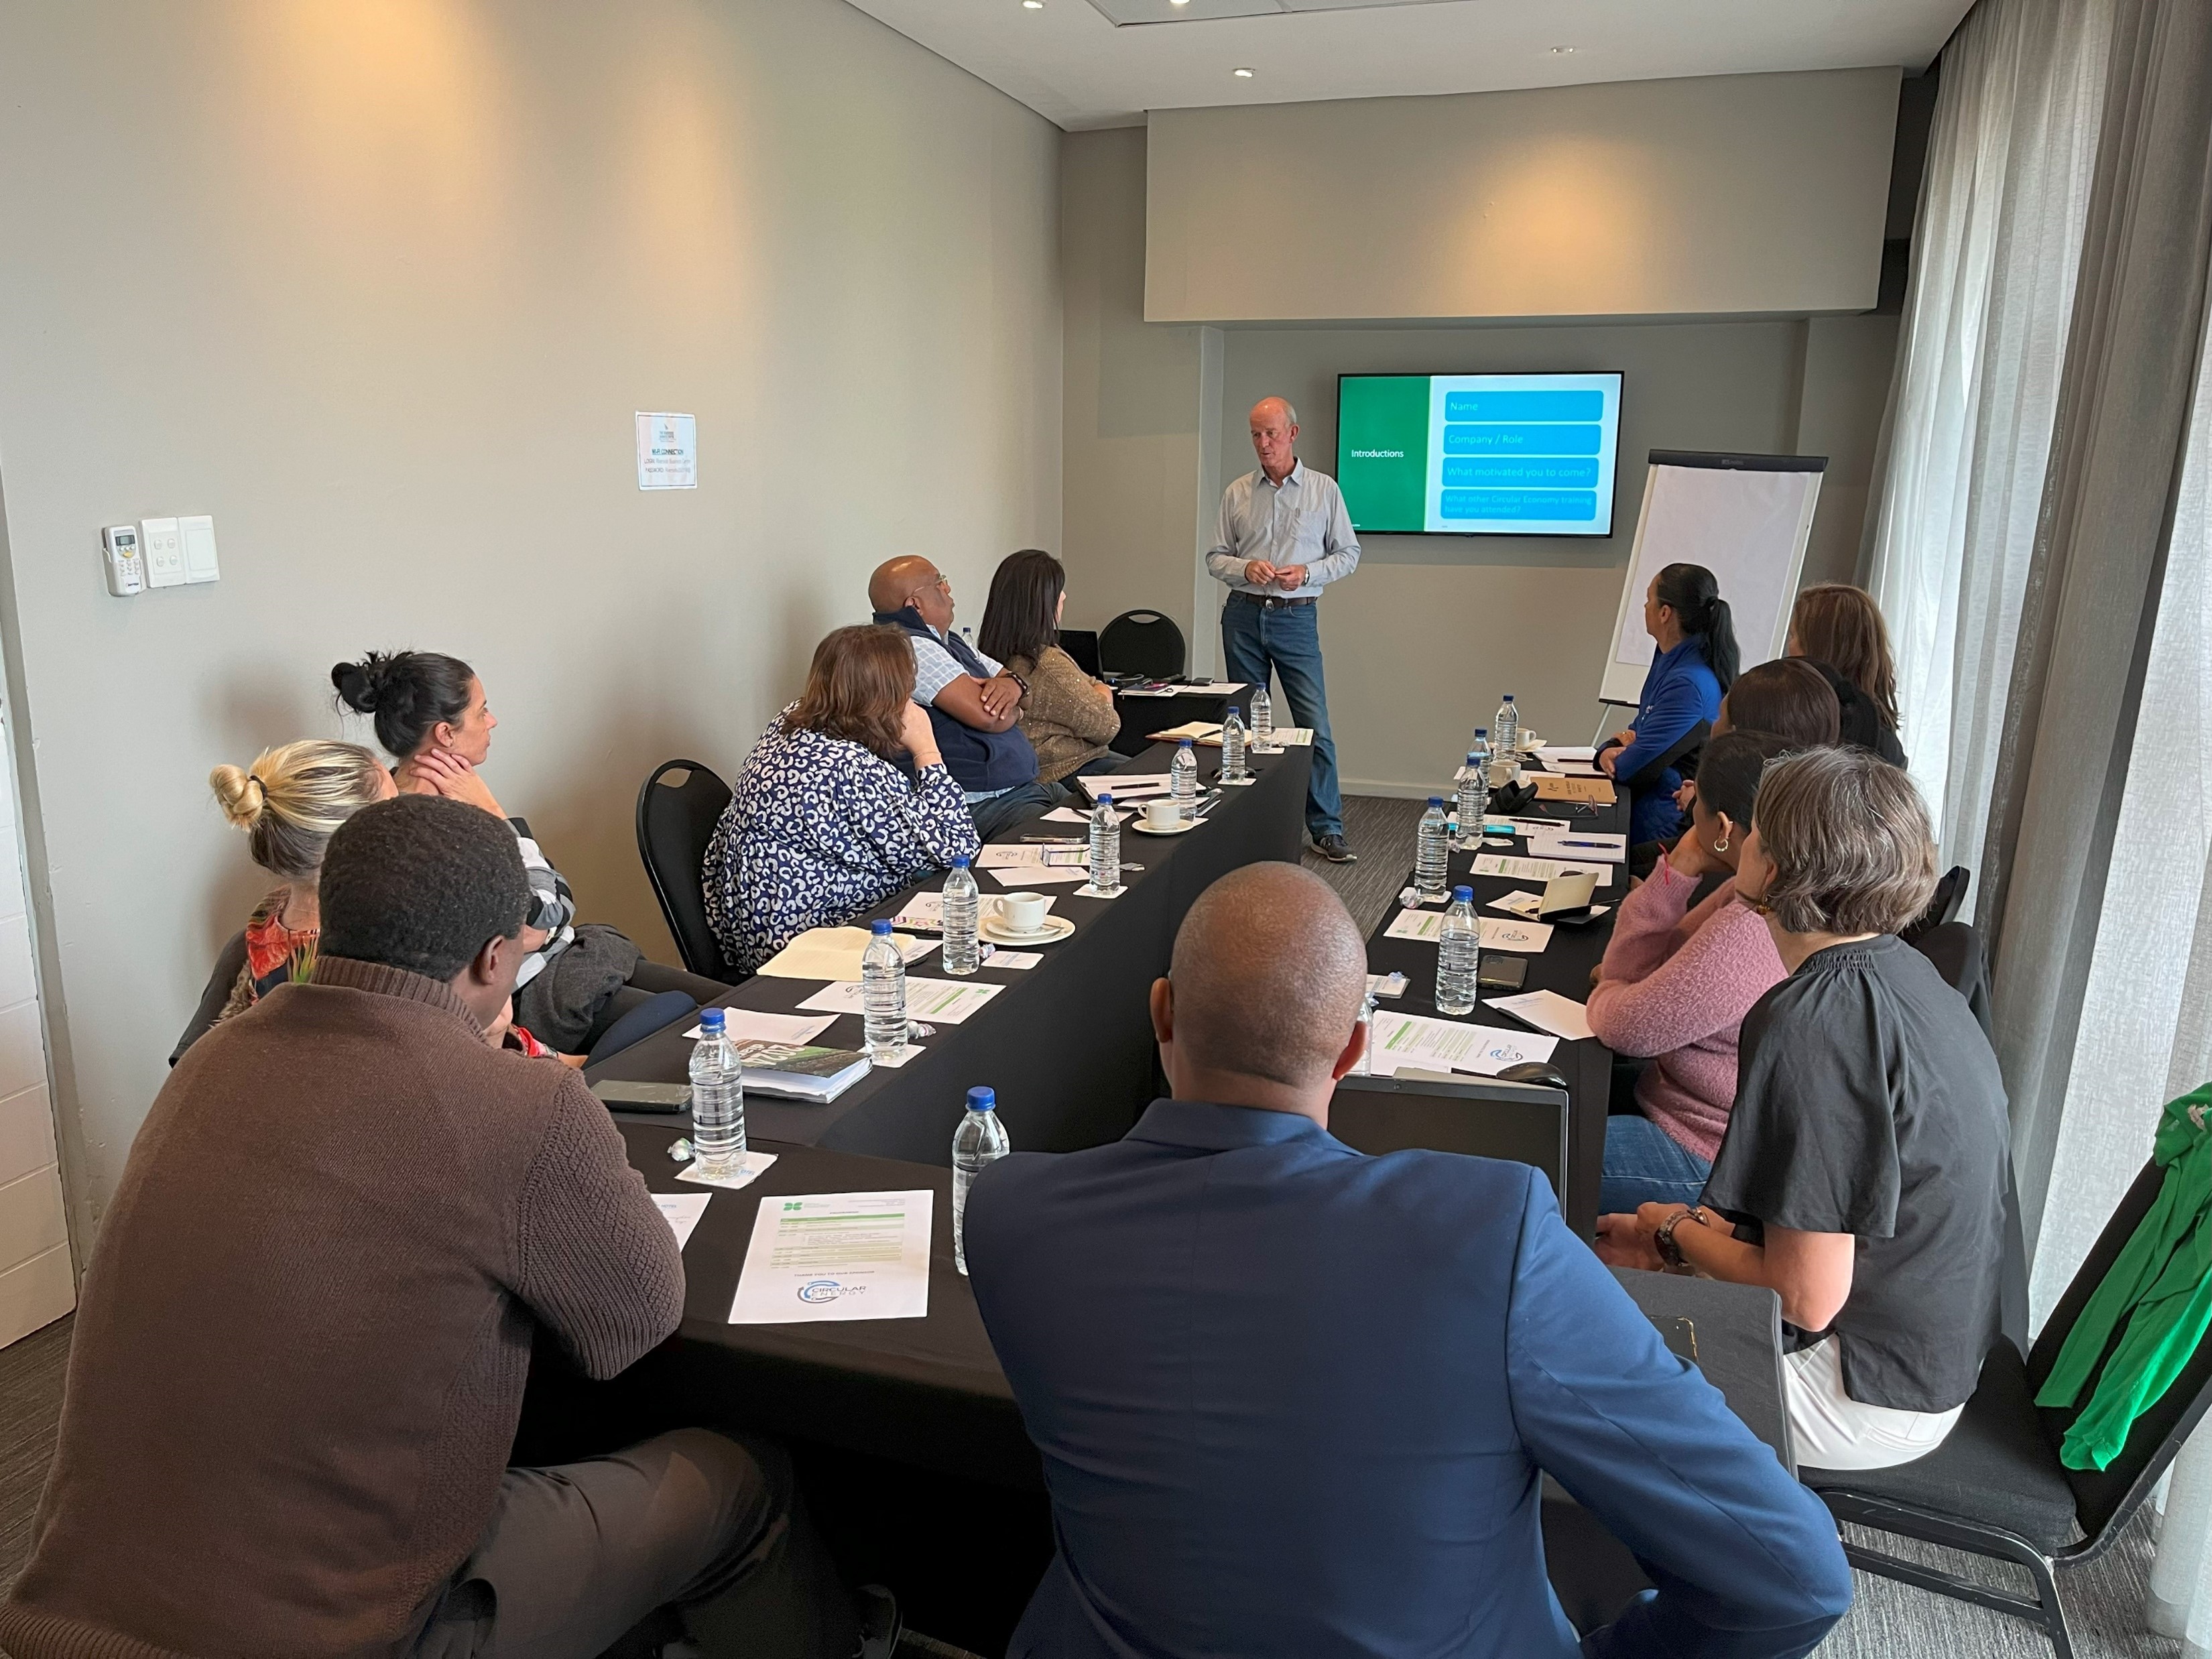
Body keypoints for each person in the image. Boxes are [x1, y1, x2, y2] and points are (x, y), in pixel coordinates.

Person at [1, 796, 888, 1658]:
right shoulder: (517, 1101)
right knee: (740, 1479)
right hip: (355, 1630)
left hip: (66, 1612)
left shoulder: (212, 1060)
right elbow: (635, 1325)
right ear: (495, 958)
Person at [965, 862, 1851, 1658]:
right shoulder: (1493, 1232)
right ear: (1355, 1048)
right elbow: (1793, 1577)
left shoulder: (1009, 1213)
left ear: (1160, 1010)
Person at [1597, 747, 2010, 1472]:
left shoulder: (1811, 1020)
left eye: (1757, 829)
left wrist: (1674, 1231)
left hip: (1859, 1390)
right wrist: (1677, 1243)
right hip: (1925, 1357)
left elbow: (1805, 1298)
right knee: (1600, 1283)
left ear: (1777, 868)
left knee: (1558, 1344)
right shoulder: (1905, 971)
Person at [332, 650, 723, 1051]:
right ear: (446, 734)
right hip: (538, 992)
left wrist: (540, 923)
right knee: (708, 1034)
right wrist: (497, 815)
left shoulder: (439, 798)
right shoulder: (433, 830)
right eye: (482, 712)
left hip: (573, 957)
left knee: (735, 1005)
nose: (492, 721)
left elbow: (546, 916)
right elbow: (550, 912)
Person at [172, 739, 565, 1064]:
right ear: (358, 839)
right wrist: (494, 815)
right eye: (395, 809)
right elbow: (544, 917)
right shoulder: (381, 947)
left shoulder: (266, 923)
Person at [706, 626, 980, 974]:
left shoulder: (790, 722)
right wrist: (926, 750)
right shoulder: (848, 767)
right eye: (907, 690)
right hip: (810, 943)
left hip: (758, 925)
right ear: (887, 698)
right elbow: (958, 850)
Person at [1593, 733, 1791, 1214]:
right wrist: (1678, 869)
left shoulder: (1749, 930)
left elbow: (1622, 1027)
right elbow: (1655, 972)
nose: (1685, 804)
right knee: (1537, 1100)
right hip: (1680, 1104)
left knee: (1529, 1154)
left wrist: (1613, 990)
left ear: (1722, 826)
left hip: (1704, 1152)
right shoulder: (1755, 892)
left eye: (1695, 798)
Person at [1207, 397, 1361, 863]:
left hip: (1296, 618)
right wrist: (1244, 567)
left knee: (1314, 725)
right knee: (1246, 726)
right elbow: (1215, 557)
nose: (1263, 443)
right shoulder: (1237, 492)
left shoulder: (1323, 490)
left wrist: (1309, 573)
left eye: (1271, 433)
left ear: (1292, 434)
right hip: (1242, 615)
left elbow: (1349, 554)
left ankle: (1327, 828)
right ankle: (1250, 826)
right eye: (1256, 434)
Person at [867, 556, 1057, 841]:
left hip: (1015, 789)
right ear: (915, 605)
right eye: (939, 582)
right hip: (978, 802)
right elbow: (990, 717)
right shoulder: (909, 648)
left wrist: (1015, 687)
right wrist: (1016, 707)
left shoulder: (950, 641)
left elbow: (1022, 689)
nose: (948, 588)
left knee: (1100, 814)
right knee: (1080, 839)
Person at [1597, 563, 1738, 845]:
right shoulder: (1671, 660)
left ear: (1665, 613)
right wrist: (1612, 746)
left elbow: (1630, 767)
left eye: (1649, 600)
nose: (1645, 607)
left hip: (1661, 823)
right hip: (1646, 808)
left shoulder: (1688, 682)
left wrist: (1607, 752)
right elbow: (1640, 728)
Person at [977, 548, 1125, 784]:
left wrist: (1097, 690)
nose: (1064, 597)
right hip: (1068, 770)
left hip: (1058, 767)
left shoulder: (991, 656)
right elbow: (1108, 726)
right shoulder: (1046, 664)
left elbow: (1090, 686)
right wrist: (1103, 691)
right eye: (1058, 591)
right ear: (1041, 603)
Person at [1788, 582, 1907, 766]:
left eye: (1793, 636)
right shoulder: (1886, 742)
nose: (1789, 647)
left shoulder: (1805, 726)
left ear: (1821, 647)